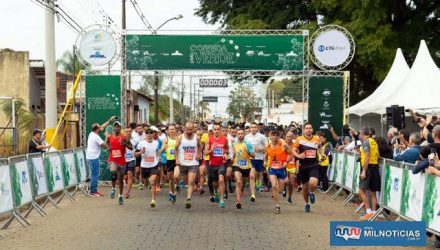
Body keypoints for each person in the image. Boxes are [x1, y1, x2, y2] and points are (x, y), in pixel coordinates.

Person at [292, 123, 321, 213]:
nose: (308, 130)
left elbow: (320, 147)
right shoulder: (299, 139)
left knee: (313, 183)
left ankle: (311, 192)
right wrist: (299, 156)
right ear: (304, 130)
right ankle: (306, 203)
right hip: (303, 165)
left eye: (310, 128)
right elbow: (293, 151)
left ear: (312, 130)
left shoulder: (317, 138)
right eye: (306, 128)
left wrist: (322, 154)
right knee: (304, 188)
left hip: (314, 164)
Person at [174, 122, 202, 209]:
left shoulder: (197, 138)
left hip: (193, 163)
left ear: (193, 129)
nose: (189, 131)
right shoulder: (180, 137)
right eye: (187, 129)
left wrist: (198, 154)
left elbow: (200, 146)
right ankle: (178, 185)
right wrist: (177, 159)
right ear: (184, 129)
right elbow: (175, 148)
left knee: (191, 182)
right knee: (186, 181)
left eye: (191, 129)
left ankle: (189, 199)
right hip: (183, 163)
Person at [85, 116, 115, 197]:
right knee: (95, 174)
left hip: (90, 156)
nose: (101, 128)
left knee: (93, 174)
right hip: (93, 157)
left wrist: (109, 121)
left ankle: (90, 189)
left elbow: (102, 126)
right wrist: (106, 136)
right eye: (99, 127)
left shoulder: (92, 133)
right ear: (97, 129)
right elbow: (105, 145)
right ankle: (93, 191)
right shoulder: (96, 137)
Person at [266, 130, 294, 214]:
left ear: (279, 136)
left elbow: (291, 154)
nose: (274, 137)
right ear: (270, 136)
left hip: (281, 169)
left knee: (280, 190)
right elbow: (266, 155)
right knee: (274, 186)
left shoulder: (284, 145)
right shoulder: (268, 145)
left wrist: (286, 162)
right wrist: (264, 161)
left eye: (276, 135)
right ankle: (277, 206)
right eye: (273, 135)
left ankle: (280, 192)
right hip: (272, 168)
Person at [357, 127, 381, 220]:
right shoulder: (374, 141)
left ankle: (368, 212)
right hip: (374, 167)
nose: (359, 136)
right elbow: (378, 155)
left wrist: (364, 171)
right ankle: (374, 213)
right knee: (373, 192)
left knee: (361, 190)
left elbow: (366, 157)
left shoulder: (366, 142)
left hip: (368, 168)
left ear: (363, 134)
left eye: (360, 134)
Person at [107, 121, 132, 205]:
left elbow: (131, 147)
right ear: (113, 128)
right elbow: (107, 144)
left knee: (120, 180)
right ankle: (113, 189)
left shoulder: (124, 137)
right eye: (115, 126)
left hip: (121, 161)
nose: (116, 128)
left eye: (118, 127)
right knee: (113, 174)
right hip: (112, 159)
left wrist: (124, 144)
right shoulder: (110, 137)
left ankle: (120, 195)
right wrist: (108, 148)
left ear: (120, 128)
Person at [135, 127, 160, 208]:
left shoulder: (156, 143)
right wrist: (141, 152)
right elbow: (135, 154)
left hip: (154, 165)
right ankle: (145, 182)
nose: (149, 134)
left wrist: (158, 159)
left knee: (152, 182)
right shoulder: (141, 143)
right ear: (145, 135)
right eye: (147, 133)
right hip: (144, 165)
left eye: (151, 133)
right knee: (146, 182)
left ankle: (153, 200)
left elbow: (158, 152)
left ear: (153, 134)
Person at [205, 123, 229, 208]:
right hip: (212, 164)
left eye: (218, 129)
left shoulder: (224, 139)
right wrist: (211, 150)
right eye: (214, 129)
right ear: (212, 130)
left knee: (221, 180)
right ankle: (216, 192)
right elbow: (205, 152)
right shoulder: (209, 139)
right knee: (215, 183)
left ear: (220, 130)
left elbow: (227, 149)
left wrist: (226, 153)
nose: (216, 131)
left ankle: (222, 200)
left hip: (221, 163)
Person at [232, 127, 255, 209]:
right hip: (237, 165)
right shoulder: (234, 144)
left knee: (243, 183)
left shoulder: (248, 144)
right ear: (237, 135)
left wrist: (248, 152)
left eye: (242, 134)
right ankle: (238, 201)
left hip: (246, 166)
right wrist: (231, 158)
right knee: (238, 181)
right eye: (239, 134)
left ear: (244, 135)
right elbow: (233, 154)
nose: (240, 135)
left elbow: (253, 155)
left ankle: (243, 191)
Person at [245, 122, 268, 202]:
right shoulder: (246, 137)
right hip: (250, 159)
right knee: (251, 176)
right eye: (252, 127)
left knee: (258, 174)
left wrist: (260, 149)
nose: (253, 128)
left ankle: (258, 180)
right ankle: (252, 194)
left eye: (255, 127)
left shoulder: (262, 137)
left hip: (259, 159)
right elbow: (244, 147)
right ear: (250, 128)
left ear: (257, 128)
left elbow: (267, 148)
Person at [161, 124, 178, 203]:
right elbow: (161, 150)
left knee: (176, 176)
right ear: (168, 131)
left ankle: (177, 185)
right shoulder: (166, 139)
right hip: (169, 160)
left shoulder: (179, 138)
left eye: (173, 129)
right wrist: (164, 148)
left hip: (177, 160)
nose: (171, 131)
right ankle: (173, 192)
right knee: (170, 179)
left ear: (175, 130)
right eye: (170, 129)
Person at [284, 131, 297, 204]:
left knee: (291, 183)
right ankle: (284, 188)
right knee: (286, 181)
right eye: (287, 136)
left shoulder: (295, 145)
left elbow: (296, 155)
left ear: (293, 138)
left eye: (290, 136)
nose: (289, 138)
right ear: (285, 137)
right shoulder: (282, 144)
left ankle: (289, 198)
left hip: (292, 165)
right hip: (283, 165)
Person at [124, 125, 136, 199]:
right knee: (125, 177)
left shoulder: (135, 140)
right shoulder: (122, 139)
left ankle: (128, 192)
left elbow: (131, 148)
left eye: (129, 131)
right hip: (123, 160)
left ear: (132, 131)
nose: (128, 132)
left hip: (132, 159)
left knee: (129, 174)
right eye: (127, 131)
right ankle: (127, 185)